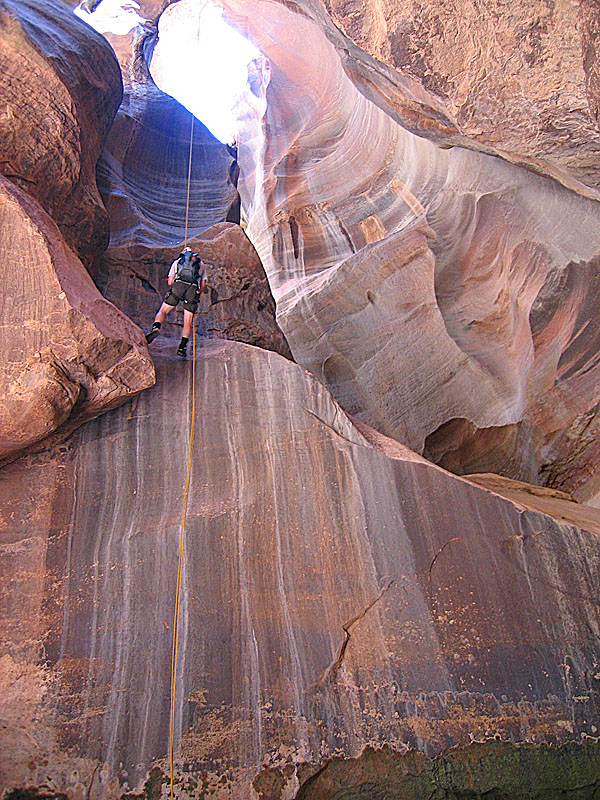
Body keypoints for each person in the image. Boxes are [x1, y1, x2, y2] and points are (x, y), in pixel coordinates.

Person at [145, 246, 207, 357]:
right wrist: (198, 291)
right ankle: (182, 347)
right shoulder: (200, 264)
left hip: (178, 286)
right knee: (187, 321)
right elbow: (203, 284)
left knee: (163, 310)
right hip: (192, 290)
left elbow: (170, 282)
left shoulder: (178, 261)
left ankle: (156, 327)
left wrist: (176, 288)